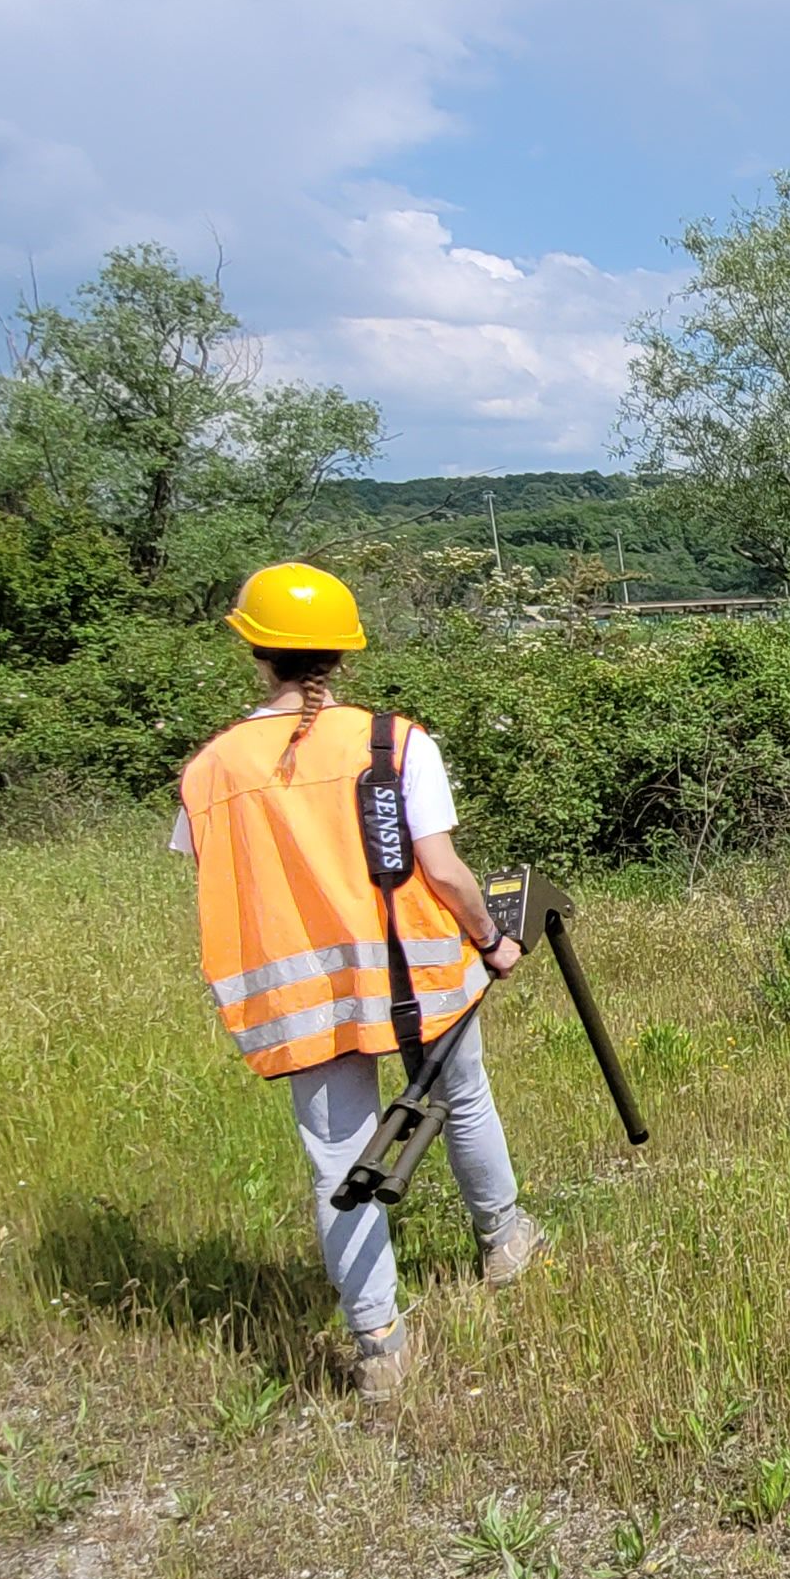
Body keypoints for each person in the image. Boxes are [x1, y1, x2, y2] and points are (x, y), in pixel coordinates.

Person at [170, 562, 542, 1402]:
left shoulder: (214, 768)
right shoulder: (394, 742)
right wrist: (491, 939)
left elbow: (206, 863)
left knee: (341, 1160)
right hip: (418, 974)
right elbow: (442, 870)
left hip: (300, 997)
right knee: (462, 1104)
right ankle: (504, 1242)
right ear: (342, 652)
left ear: (255, 649)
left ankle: (379, 1344)